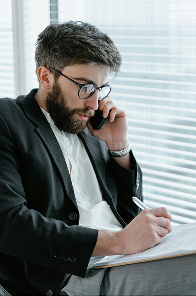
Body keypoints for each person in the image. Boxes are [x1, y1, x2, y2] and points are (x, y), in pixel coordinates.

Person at [0, 21, 195, 296]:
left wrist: (119, 148)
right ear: (45, 76)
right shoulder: (7, 120)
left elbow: (127, 212)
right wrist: (118, 242)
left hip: (124, 258)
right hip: (73, 273)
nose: (94, 103)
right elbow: (9, 223)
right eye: (85, 86)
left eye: (100, 88)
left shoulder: (89, 122)